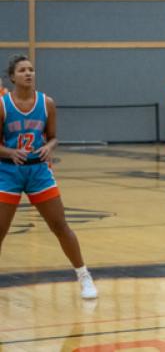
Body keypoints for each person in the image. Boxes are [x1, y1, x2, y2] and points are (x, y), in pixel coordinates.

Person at [0, 55, 97, 299]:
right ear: (12, 77)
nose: (28, 73)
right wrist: (10, 152)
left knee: (59, 225)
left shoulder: (47, 103)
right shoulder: (2, 105)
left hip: (39, 171)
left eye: (31, 69)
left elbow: (53, 136)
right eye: (22, 70)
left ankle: (83, 276)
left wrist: (49, 147)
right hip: (8, 171)